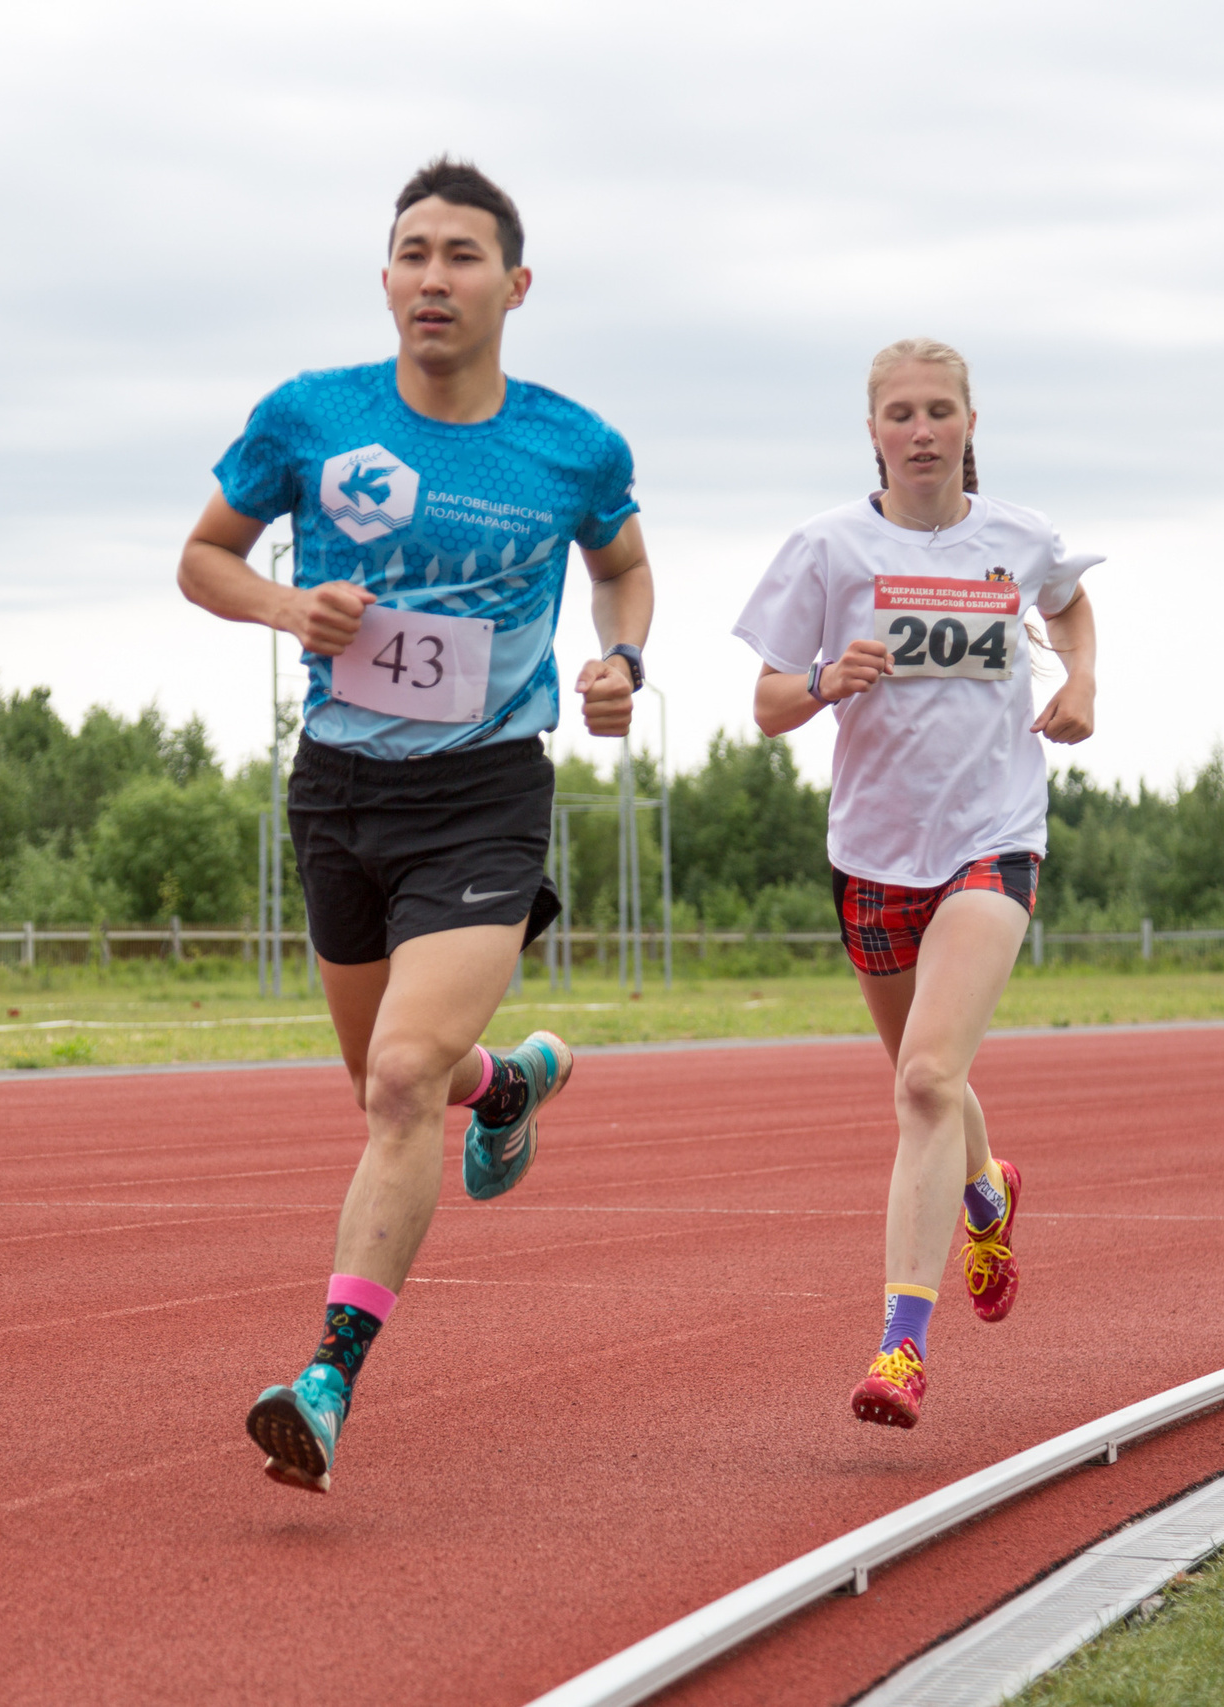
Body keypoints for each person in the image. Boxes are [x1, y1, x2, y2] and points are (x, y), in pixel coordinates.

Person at [177, 158, 654, 1494]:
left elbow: (621, 565)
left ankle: (325, 1382)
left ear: (515, 283)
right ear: (386, 277)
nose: (433, 277)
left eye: (460, 254)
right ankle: (504, 1084)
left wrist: (620, 659)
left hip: (484, 791)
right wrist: (287, 608)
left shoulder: (573, 446)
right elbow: (202, 558)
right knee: (395, 1076)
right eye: (412, 253)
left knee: (397, 1081)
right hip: (339, 788)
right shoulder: (309, 417)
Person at [733, 337, 1099, 1431]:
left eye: (940, 410)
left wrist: (1082, 679)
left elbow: (1070, 601)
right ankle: (987, 1190)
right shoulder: (827, 547)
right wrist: (821, 678)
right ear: (873, 432)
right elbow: (766, 703)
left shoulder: (1019, 538)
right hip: (874, 854)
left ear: (970, 423)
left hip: (993, 837)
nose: (922, 430)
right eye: (901, 413)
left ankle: (901, 1348)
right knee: (924, 1078)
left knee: (929, 1078)